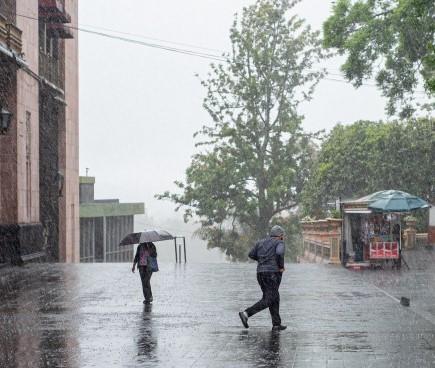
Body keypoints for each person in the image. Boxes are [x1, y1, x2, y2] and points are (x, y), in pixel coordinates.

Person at [239, 225, 286, 331]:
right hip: (272, 274)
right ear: (280, 235)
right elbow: (279, 253)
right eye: (283, 236)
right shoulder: (279, 242)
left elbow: (251, 254)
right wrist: (281, 266)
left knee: (274, 296)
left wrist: (262, 261)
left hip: (260, 273)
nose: (283, 238)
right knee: (269, 298)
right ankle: (246, 313)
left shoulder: (260, 242)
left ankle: (276, 324)